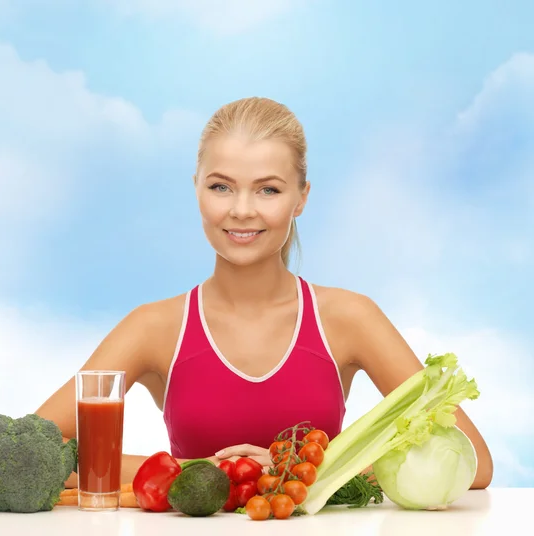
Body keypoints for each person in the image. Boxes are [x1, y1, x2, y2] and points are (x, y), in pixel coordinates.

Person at [36, 97, 493, 490]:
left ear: (301, 198)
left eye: (268, 190)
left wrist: (301, 474)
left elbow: (473, 461)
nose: (241, 210)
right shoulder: (154, 328)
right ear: (196, 190)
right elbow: (38, 450)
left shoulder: (349, 318)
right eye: (221, 186)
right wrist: (202, 474)